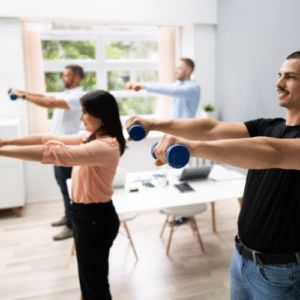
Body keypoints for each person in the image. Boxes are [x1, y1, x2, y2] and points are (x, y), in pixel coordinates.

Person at [126, 51, 300, 299]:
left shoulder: (277, 139)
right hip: (241, 260)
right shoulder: (270, 126)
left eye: (290, 77)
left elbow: (273, 153)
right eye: (280, 75)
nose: (279, 83)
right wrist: (154, 124)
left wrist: (192, 147)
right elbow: (211, 127)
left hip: (282, 273)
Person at [0, 90, 126, 300]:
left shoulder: (106, 146)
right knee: (89, 280)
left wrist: (2, 151)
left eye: (84, 112)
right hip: (85, 216)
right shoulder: (90, 137)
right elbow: (49, 138)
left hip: (95, 218)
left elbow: (57, 154)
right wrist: (5, 141)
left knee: (96, 287)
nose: (80, 117)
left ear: (99, 115)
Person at [9, 65, 85, 240]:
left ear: (77, 78)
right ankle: (68, 216)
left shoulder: (77, 96)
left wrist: (23, 96)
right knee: (61, 184)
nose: (63, 78)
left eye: (67, 75)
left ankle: (71, 226)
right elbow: (45, 97)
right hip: (57, 146)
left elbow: (49, 103)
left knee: (68, 188)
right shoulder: (67, 94)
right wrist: (22, 92)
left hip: (67, 148)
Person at [125, 58, 200, 225]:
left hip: (185, 137)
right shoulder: (178, 87)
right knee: (168, 174)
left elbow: (168, 90)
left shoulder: (192, 88)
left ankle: (184, 213)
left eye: (179, 68)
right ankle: (174, 208)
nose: (175, 71)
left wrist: (143, 86)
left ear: (188, 70)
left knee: (180, 175)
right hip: (172, 135)